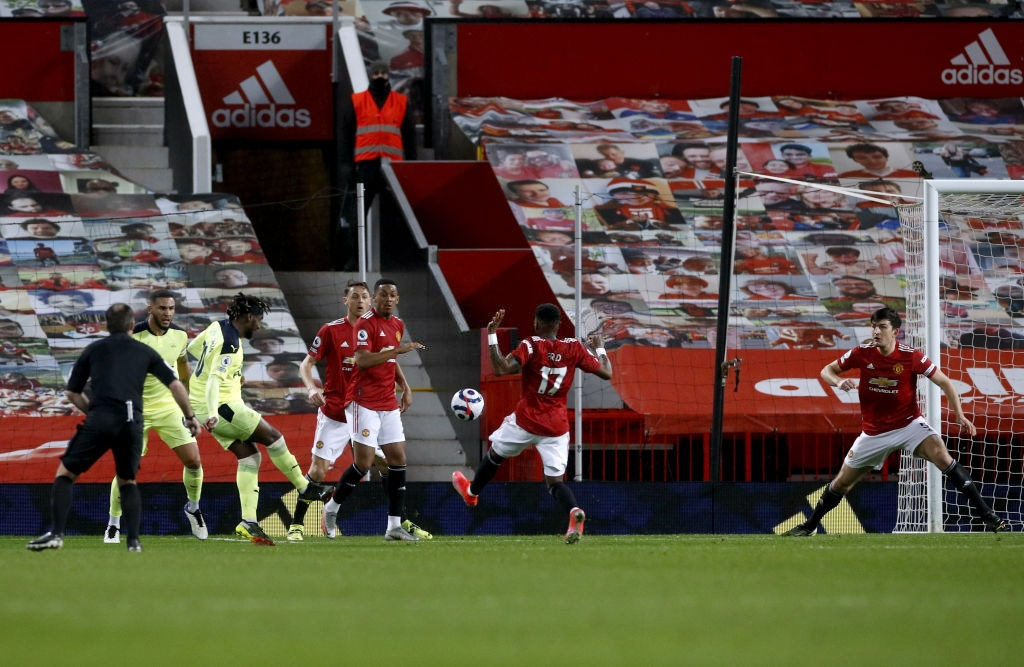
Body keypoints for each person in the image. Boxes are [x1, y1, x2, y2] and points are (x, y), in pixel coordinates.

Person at [784, 307, 1007, 536]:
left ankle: (988, 515)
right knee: (841, 484)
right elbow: (826, 371)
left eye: (882, 327)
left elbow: (945, 382)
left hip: (909, 425)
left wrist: (959, 414)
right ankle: (809, 526)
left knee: (942, 456)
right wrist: (838, 383)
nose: (876, 331)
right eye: (873, 326)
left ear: (895, 332)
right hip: (874, 433)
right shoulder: (862, 352)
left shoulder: (911, 356)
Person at [27, 303, 200, 552]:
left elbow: (72, 393)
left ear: (106, 326)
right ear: (132, 326)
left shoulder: (94, 349)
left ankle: (57, 534)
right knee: (128, 480)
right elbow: (176, 385)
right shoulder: (145, 352)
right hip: (132, 421)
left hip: (101, 419)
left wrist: (94, 413)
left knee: (65, 475)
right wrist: (191, 416)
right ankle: (134, 542)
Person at [451, 304, 612, 544]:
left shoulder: (531, 345)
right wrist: (600, 348)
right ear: (558, 325)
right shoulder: (574, 348)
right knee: (555, 482)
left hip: (526, 422)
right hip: (556, 427)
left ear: (536, 323)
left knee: (495, 454)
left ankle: (472, 493)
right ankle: (573, 513)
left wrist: (492, 334)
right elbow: (607, 373)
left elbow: (500, 369)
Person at [291, 280, 429, 541]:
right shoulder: (331, 330)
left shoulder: (389, 326)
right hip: (337, 410)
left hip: (372, 406)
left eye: (364, 296)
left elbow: (390, 359)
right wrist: (311, 388)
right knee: (320, 471)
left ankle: (399, 522)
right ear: (346, 301)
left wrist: (405, 386)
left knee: (388, 464)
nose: (361, 301)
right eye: (355, 297)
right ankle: (298, 523)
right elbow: (307, 363)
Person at [186, 293, 327, 545]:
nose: (259, 326)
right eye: (259, 320)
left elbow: (194, 349)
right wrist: (210, 412)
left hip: (205, 405)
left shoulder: (217, 326)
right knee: (274, 437)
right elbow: (214, 380)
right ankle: (305, 487)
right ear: (249, 316)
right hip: (221, 407)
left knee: (250, 457)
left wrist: (232, 375)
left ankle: (248, 521)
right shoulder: (230, 342)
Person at [103, 290, 206, 544]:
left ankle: (193, 508)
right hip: (135, 409)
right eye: (162, 308)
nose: (168, 313)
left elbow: (183, 367)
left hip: (168, 408)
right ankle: (113, 525)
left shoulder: (180, 336)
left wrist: (188, 405)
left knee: (194, 461)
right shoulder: (133, 334)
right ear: (150, 309)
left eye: (171, 308)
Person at [340, 61, 416, 269]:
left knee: (397, 217)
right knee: (357, 217)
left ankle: (398, 260)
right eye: (376, 73)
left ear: (389, 75)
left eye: (383, 73)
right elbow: (346, 135)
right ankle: (355, 259)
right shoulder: (357, 101)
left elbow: (409, 138)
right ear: (370, 75)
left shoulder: (400, 102)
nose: (380, 76)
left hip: (393, 168)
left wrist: (411, 167)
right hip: (366, 166)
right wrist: (346, 165)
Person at [838, 143, 920, 179]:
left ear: (886, 157)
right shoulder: (845, 177)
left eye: (877, 157)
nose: (872, 162)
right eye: (862, 158)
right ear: (855, 160)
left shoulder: (913, 175)